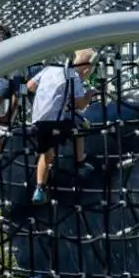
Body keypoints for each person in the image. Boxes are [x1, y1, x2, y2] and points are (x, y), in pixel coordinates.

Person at [25, 49, 96, 205]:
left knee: (47, 154)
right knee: (79, 127)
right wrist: (90, 94)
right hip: (55, 123)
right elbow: (80, 105)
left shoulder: (48, 69)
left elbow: (29, 86)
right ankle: (80, 161)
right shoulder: (72, 76)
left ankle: (40, 189)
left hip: (37, 121)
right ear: (86, 68)